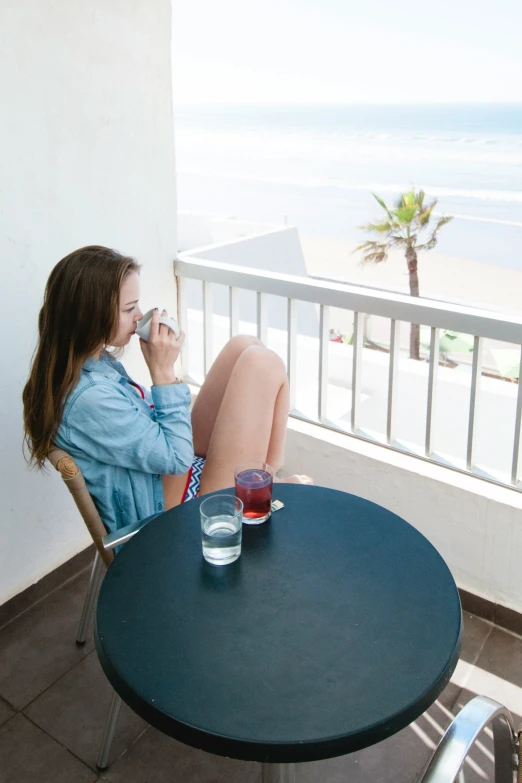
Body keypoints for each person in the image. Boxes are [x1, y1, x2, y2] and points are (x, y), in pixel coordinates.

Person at [23, 245, 310, 535]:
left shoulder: (92, 364)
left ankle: (265, 479)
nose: (139, 316)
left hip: (168, 480)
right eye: (128, 308)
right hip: (171, 517)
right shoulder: (90, 398)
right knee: (262, 364)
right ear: (89, 315)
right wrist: (163, 373)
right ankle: (263, 487)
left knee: (244, 345)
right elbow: (176, 458)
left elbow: (152, 436)